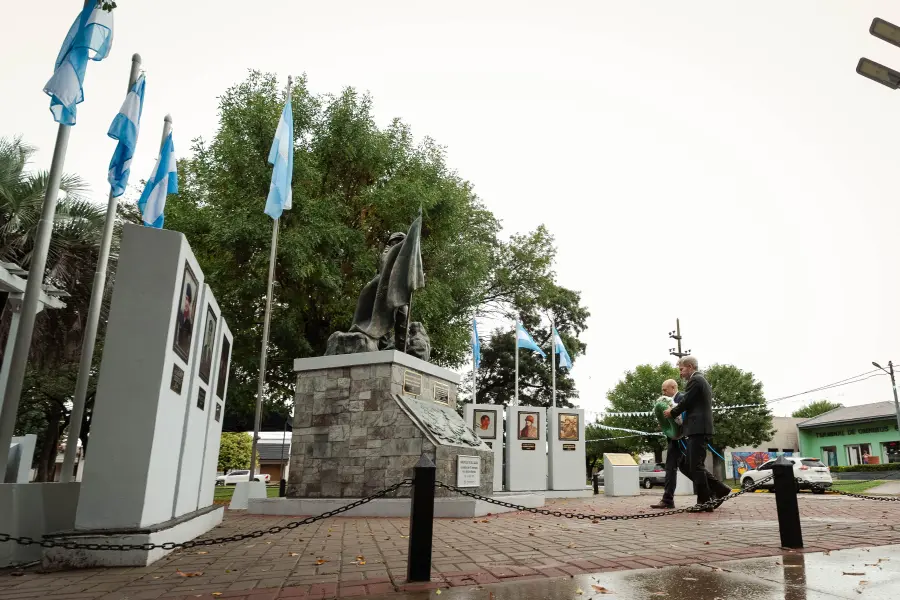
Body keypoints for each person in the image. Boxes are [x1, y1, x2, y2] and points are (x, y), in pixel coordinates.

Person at [663, 356, 732, 511]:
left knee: (695, 466)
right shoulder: (700, 381)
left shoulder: (696, 381)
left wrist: (671, 412)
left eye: (681, 369)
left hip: (698, 429)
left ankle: (704, 501)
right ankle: (719, 490)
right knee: (685, 464)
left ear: (690, 366)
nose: (680, 373)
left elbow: (686, 401)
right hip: (697, 429)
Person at [650, 379, 690, 509]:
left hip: (684, 439)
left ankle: (715, 489)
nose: (663, 392)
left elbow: (685, 417)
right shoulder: (664, 402)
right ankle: (668, 499)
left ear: (673, 387)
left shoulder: (682, 398)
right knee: (679, 468)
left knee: (687, 468)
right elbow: (668, 421)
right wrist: (663, 424)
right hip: (673, 439)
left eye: (665, 389)